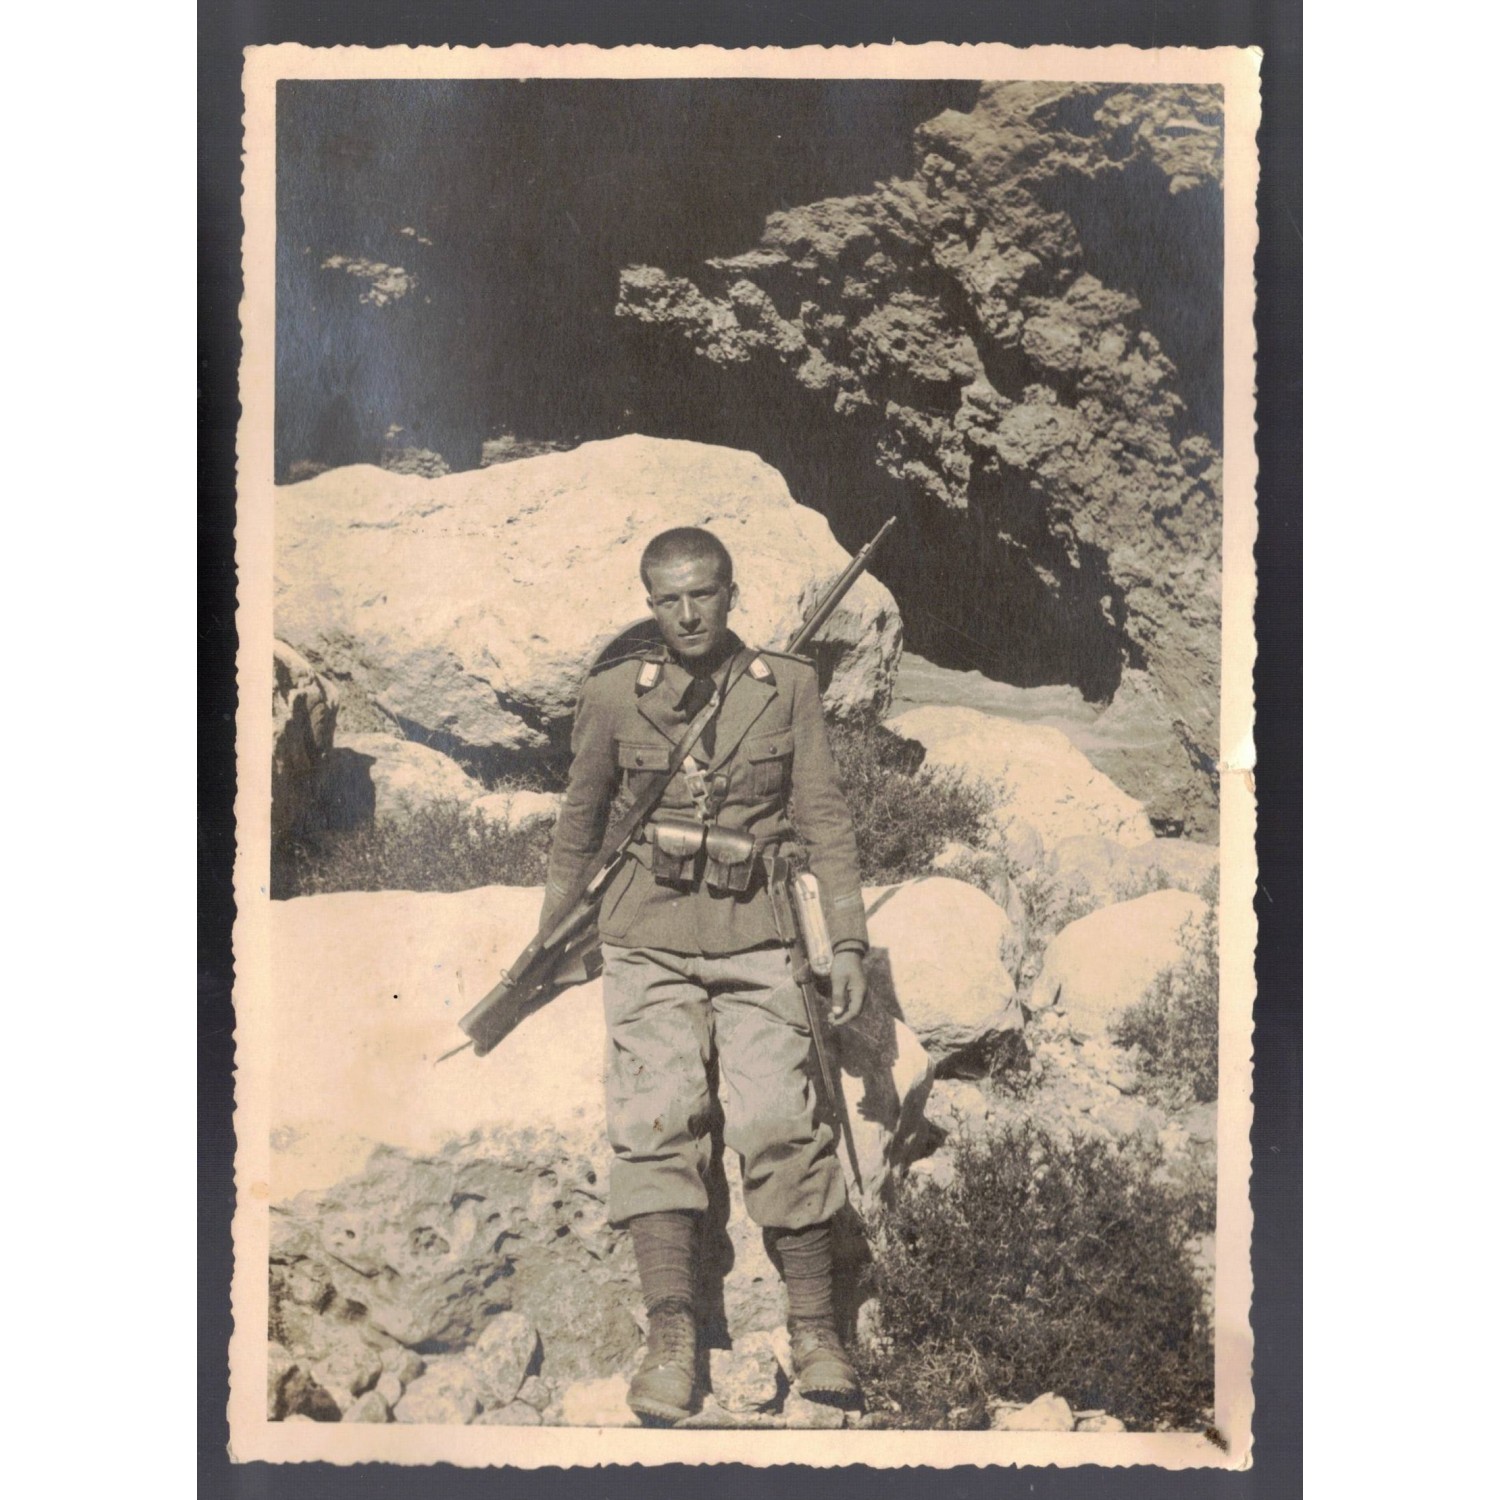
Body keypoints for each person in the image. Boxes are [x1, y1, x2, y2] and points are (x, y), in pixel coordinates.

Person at [538, 525, 870, 1424]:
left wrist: (846, 942)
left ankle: (817, 1330)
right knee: (655, 1118)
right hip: (647, 937)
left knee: (779, 1118)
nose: (688, 614)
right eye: (670, 599)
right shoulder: (614, 694)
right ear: (650, 604)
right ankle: (672, 1336)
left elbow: (825, 818)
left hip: (760, 936)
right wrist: (550, 938)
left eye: (704, 594)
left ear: (732, 594)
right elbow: (579, 822)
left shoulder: (786, 686)